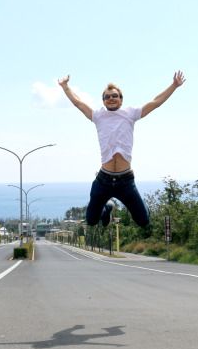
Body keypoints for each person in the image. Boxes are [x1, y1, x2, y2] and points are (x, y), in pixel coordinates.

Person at [58, 71, 186, 230]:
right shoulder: (97, 116)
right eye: (107, 97)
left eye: (114, 96)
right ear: (103, 101)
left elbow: (155, 102)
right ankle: (107, 208)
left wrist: (174, 86)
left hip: (125, 181)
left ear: (121, 99)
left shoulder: (130, 114)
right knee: (91, 221)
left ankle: (112, 205)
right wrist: (65, 87)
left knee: (143, 221)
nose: (111, 98)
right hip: (103, 180)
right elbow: (78, 102)